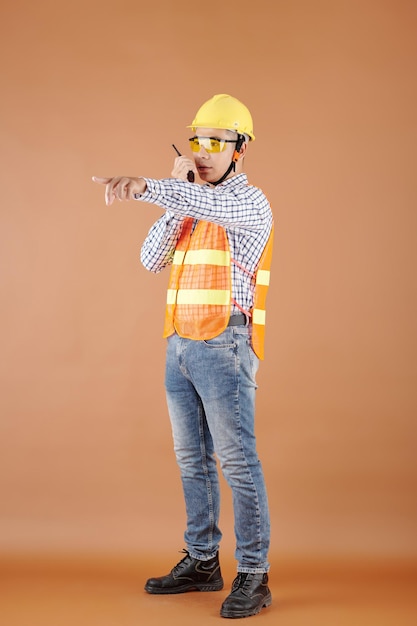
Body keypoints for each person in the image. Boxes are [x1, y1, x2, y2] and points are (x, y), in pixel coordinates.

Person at [93, 94, 274, 619]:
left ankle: (255, 574)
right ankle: (201, 561)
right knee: (192, 460)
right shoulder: (191, 202)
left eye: (218, 142)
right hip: (180, 348)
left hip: (224, 347)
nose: (204, 151)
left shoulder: (248, 202)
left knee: (238, 463)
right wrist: (175, 196)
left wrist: (154, 186)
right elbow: (151, 259)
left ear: (240, 150)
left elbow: (211, 205)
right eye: (198, 140)